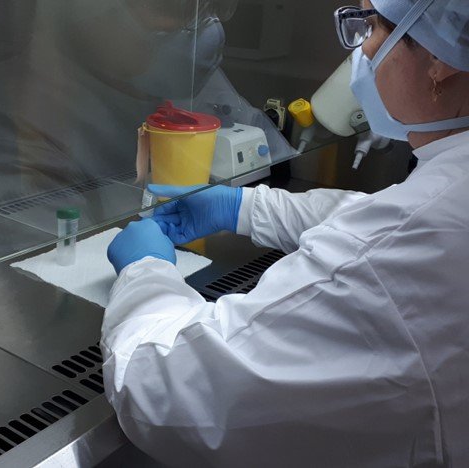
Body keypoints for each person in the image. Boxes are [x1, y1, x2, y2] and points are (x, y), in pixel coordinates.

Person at [103, 0, 469, 466]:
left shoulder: (399, 246)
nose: (362, 49)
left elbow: (162, 387)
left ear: (442, 58)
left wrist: (144, 272)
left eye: (371, 25)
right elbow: (393, 218)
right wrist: (246, 206)